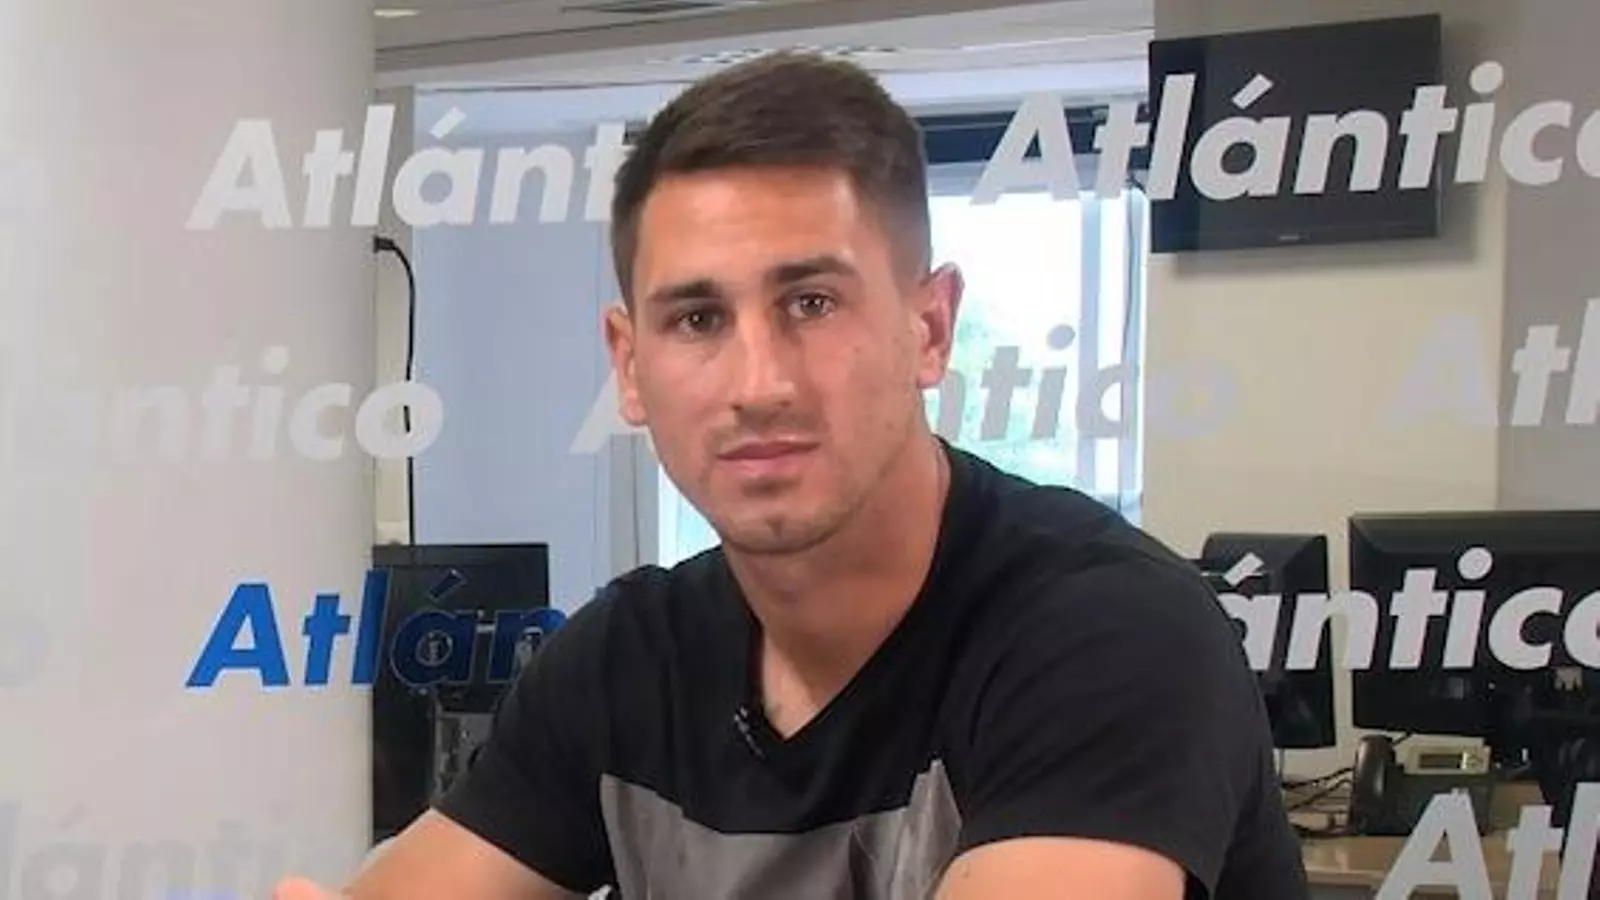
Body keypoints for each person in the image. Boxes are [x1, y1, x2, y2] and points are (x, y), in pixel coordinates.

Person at [275, 50, 1307, 900]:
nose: (759, 384)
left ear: (929, 327)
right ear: (630, 365)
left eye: (811, 303)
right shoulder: (625, 662)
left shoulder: (1109, 633)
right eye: (697, 319)